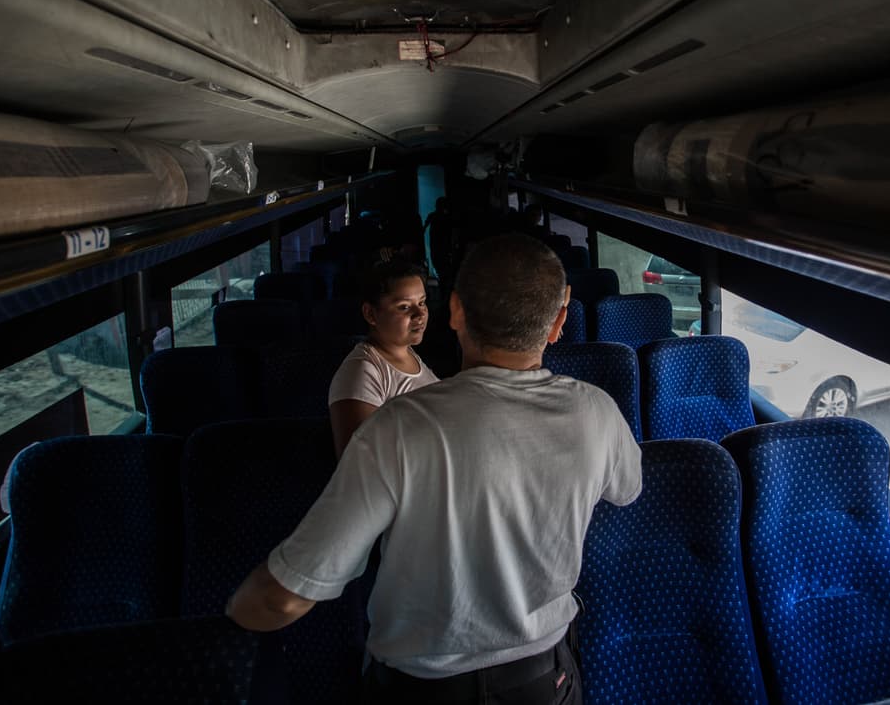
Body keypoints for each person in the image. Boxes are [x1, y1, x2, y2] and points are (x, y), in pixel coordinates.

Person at [227, 233, 642, 704]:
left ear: (455, 311)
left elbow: (286, 595)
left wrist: (227, 623)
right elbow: (627, 489)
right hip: (544, 679)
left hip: (423, 688)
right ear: (558, 323)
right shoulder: (598, 412)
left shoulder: (396, 429)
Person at [328, 259, 439, 458]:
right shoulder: (362, 372)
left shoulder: (409, 353)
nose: (420, 314)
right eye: (404, 307)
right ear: (370, 314)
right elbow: (359, 463)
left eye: (421, 303)